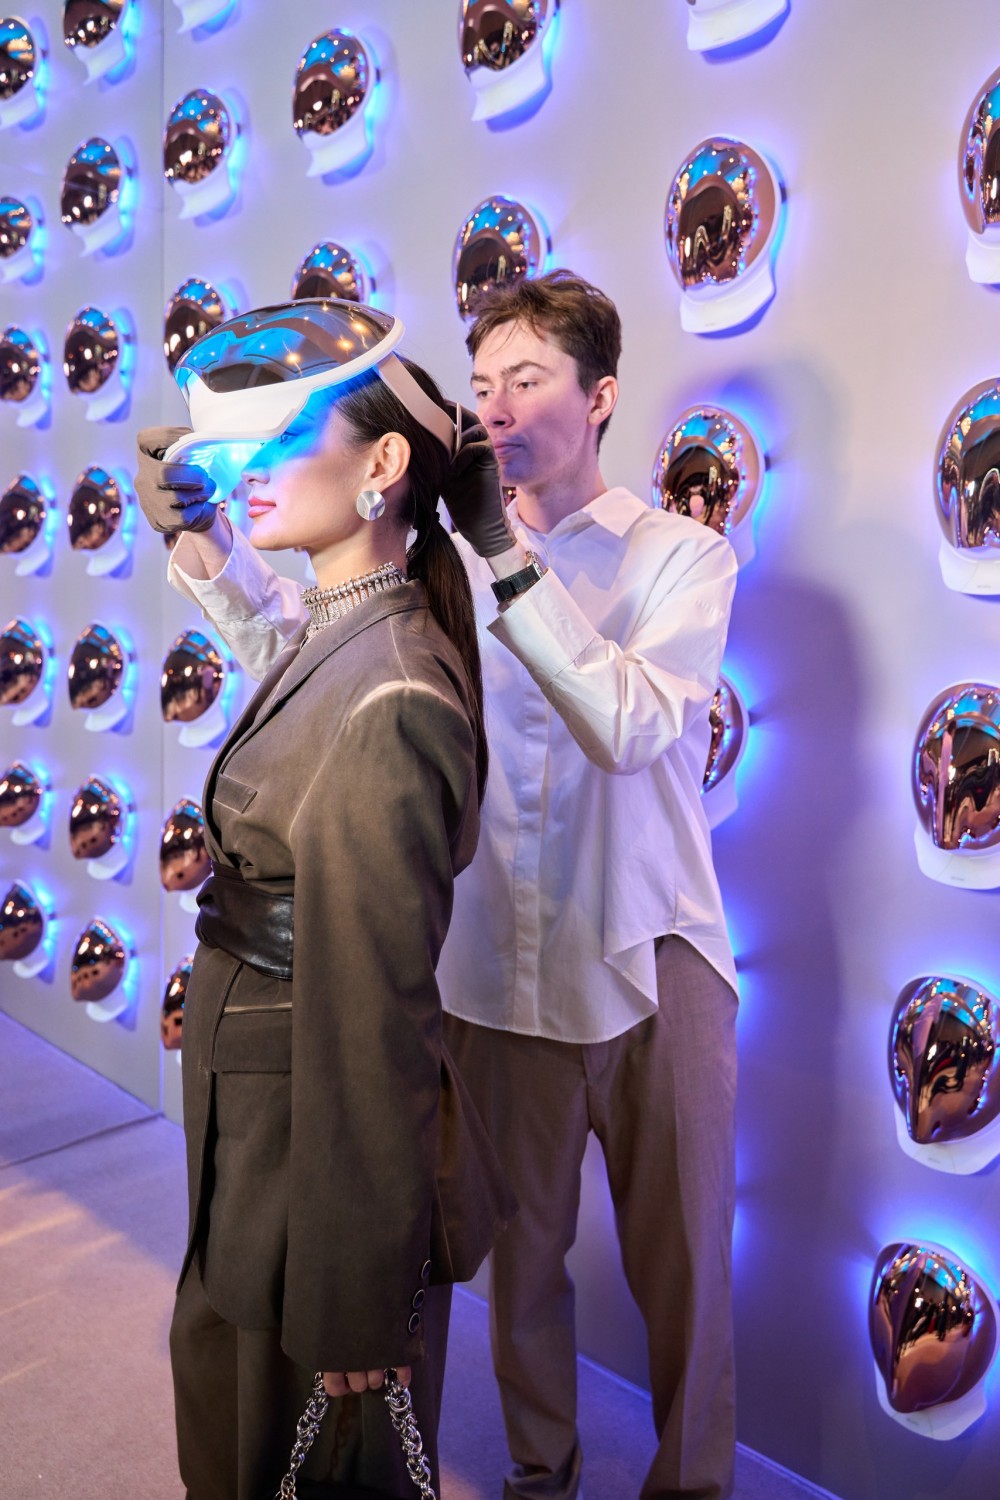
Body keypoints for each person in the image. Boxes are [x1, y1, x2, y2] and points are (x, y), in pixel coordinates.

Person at [138, 272, 739, 1500]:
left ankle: (692, 1484)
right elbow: (313, 661)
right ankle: (539, 1476)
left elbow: (628, 727)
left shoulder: (680, 555)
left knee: (684, 1271)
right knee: (522, 1270)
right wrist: (201, 541)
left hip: (647, 953)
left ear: (599, 396)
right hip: (492, 965)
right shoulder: (441, 564)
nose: (497, 408)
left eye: (527, 380)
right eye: (481, 385)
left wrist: (505, 556)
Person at [147, 299, 513, 1500]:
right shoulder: (339, 633)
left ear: (382, 466)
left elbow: (376, 1013)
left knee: (288, 1439)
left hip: (312, 1130)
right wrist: (202, 531)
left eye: (283, 437)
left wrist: (361, 1290)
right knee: (229, 1394)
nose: (246, 468)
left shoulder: (392, 692)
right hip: (263, 1111)